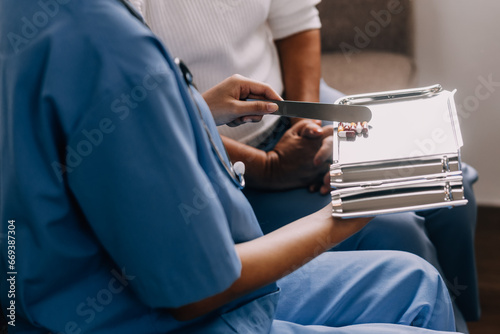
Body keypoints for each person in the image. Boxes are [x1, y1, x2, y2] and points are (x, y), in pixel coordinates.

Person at [0, 0, 462, 332]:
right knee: (413, 288)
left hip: (49, 295)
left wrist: (196, 110)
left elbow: (99, 134)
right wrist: (342, 214)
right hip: (154, 313)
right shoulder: (111, 47)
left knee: (417, 279)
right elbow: (195, 293)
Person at [134, 0, 480, 327]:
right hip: (211, 155)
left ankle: (455, 319)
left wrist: (304, 121)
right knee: (397, 228)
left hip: (291, 105)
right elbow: (145, 126)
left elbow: (297, 19)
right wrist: (268, 168)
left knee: (451, 179)